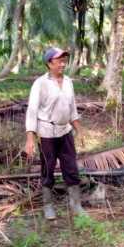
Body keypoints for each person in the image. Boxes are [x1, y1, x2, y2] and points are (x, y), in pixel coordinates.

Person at [25, 47, 86, 220]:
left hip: (65, 131)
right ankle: (48, 205)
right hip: (46, 133)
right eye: (59, 60)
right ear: (49, 63)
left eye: (64, 60)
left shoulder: (68, 81)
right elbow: (32, 110)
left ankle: (76, 205)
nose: (63, 64)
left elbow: (72, 108)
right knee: (48, 168)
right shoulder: (40, 83)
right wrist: (30, 137)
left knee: (71, 167)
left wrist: (79, 130)